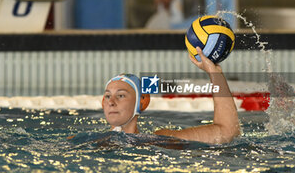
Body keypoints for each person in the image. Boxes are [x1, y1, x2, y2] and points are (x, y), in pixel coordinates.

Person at [102, 47, 240, 144]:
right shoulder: (95, 142)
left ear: (142, 102)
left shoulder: (161, 140)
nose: (111, 102)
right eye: (107, 96)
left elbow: (227, 131)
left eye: (121, 96)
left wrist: (215, 74)